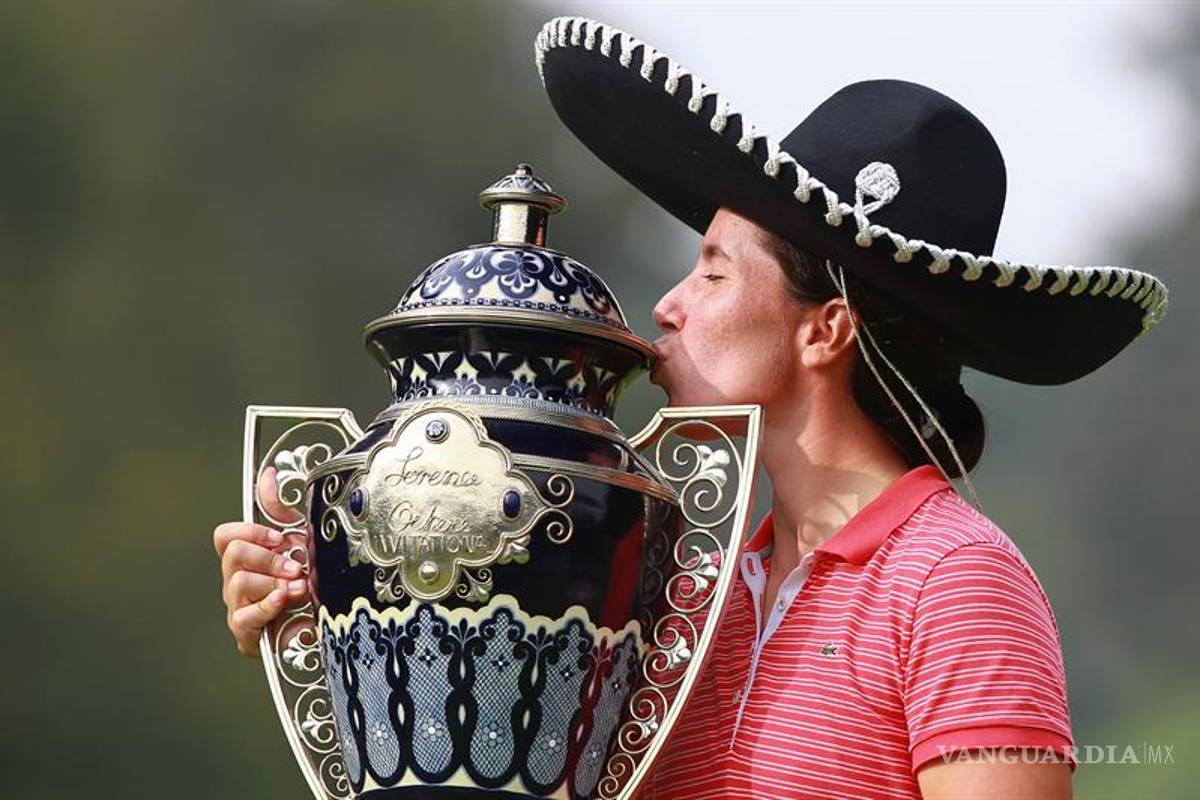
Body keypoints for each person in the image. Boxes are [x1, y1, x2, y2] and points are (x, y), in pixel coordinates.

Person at [213, 15, 1170, 800]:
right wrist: (339, 601)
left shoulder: (954, 584)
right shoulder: (680, 582)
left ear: (824, 330)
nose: (669, 305)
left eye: (713, 270)